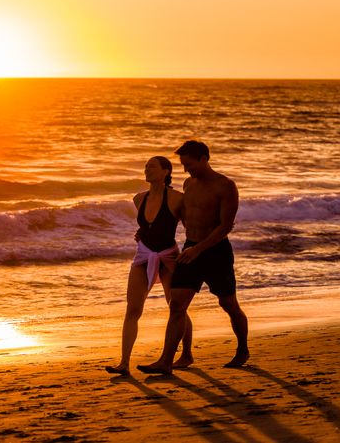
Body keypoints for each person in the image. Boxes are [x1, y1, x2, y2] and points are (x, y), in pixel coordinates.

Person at [137, 141, 249, 374]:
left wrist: (199, 249)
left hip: (216, 252)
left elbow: (225, 226)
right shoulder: (189, 184)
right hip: (190, 250)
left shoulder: (225, 186)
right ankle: (166, 361)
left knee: (228, 304)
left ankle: (242, 349)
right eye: (183, 165)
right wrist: (148, 231)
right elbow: (183, 217)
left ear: (203, 159)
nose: (186, 170)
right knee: (177, 304)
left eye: (189, 164)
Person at [105, 156, 194, 376]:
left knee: (176, 307)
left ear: (166, 171)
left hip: (169, 257)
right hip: (143, 256)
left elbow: (190, 228)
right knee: (133, 309)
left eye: (152, 167)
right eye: (145, 167)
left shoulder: (176, 199)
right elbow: (148, 226)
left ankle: (186, 354)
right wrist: (141, 234)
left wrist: (193, 251)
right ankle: (124, 363)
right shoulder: (138, 199)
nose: (147, 170)